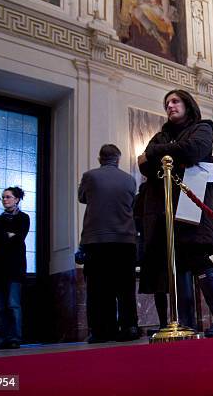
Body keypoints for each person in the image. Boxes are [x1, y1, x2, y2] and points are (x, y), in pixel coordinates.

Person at [138, 89, 213, 337]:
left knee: (197, 257)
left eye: (175, 101)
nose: (170, 105)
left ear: (188, 105)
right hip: (162, 208)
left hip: (193, 201)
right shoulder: (160, 135)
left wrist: (160, 153)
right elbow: (145, 166)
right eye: (167, 102)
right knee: (173, 265)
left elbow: (194, 150)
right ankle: (185, 322)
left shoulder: (204, 127)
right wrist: (171, 152)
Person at [78, 144, 139, 343]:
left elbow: (82, 198)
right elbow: (130, 205)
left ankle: (101, 331)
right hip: (125, 240)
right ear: (118, 159)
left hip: (97, 240)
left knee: (98, 289)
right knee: (125, 287)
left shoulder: (90, 176)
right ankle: (129, 327)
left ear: (100, 158)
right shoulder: (129, 180)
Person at [0, 186, 30, 350]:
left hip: (14, 269)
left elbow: (18, 238)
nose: (5, 200)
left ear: (16, 199)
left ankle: (15, 338)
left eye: (8, 197)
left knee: (13, 305)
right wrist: (6, 235)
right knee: (1, 307)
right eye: (3, 197)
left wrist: (2, 236)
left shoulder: (23, 218)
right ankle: (2, 339)